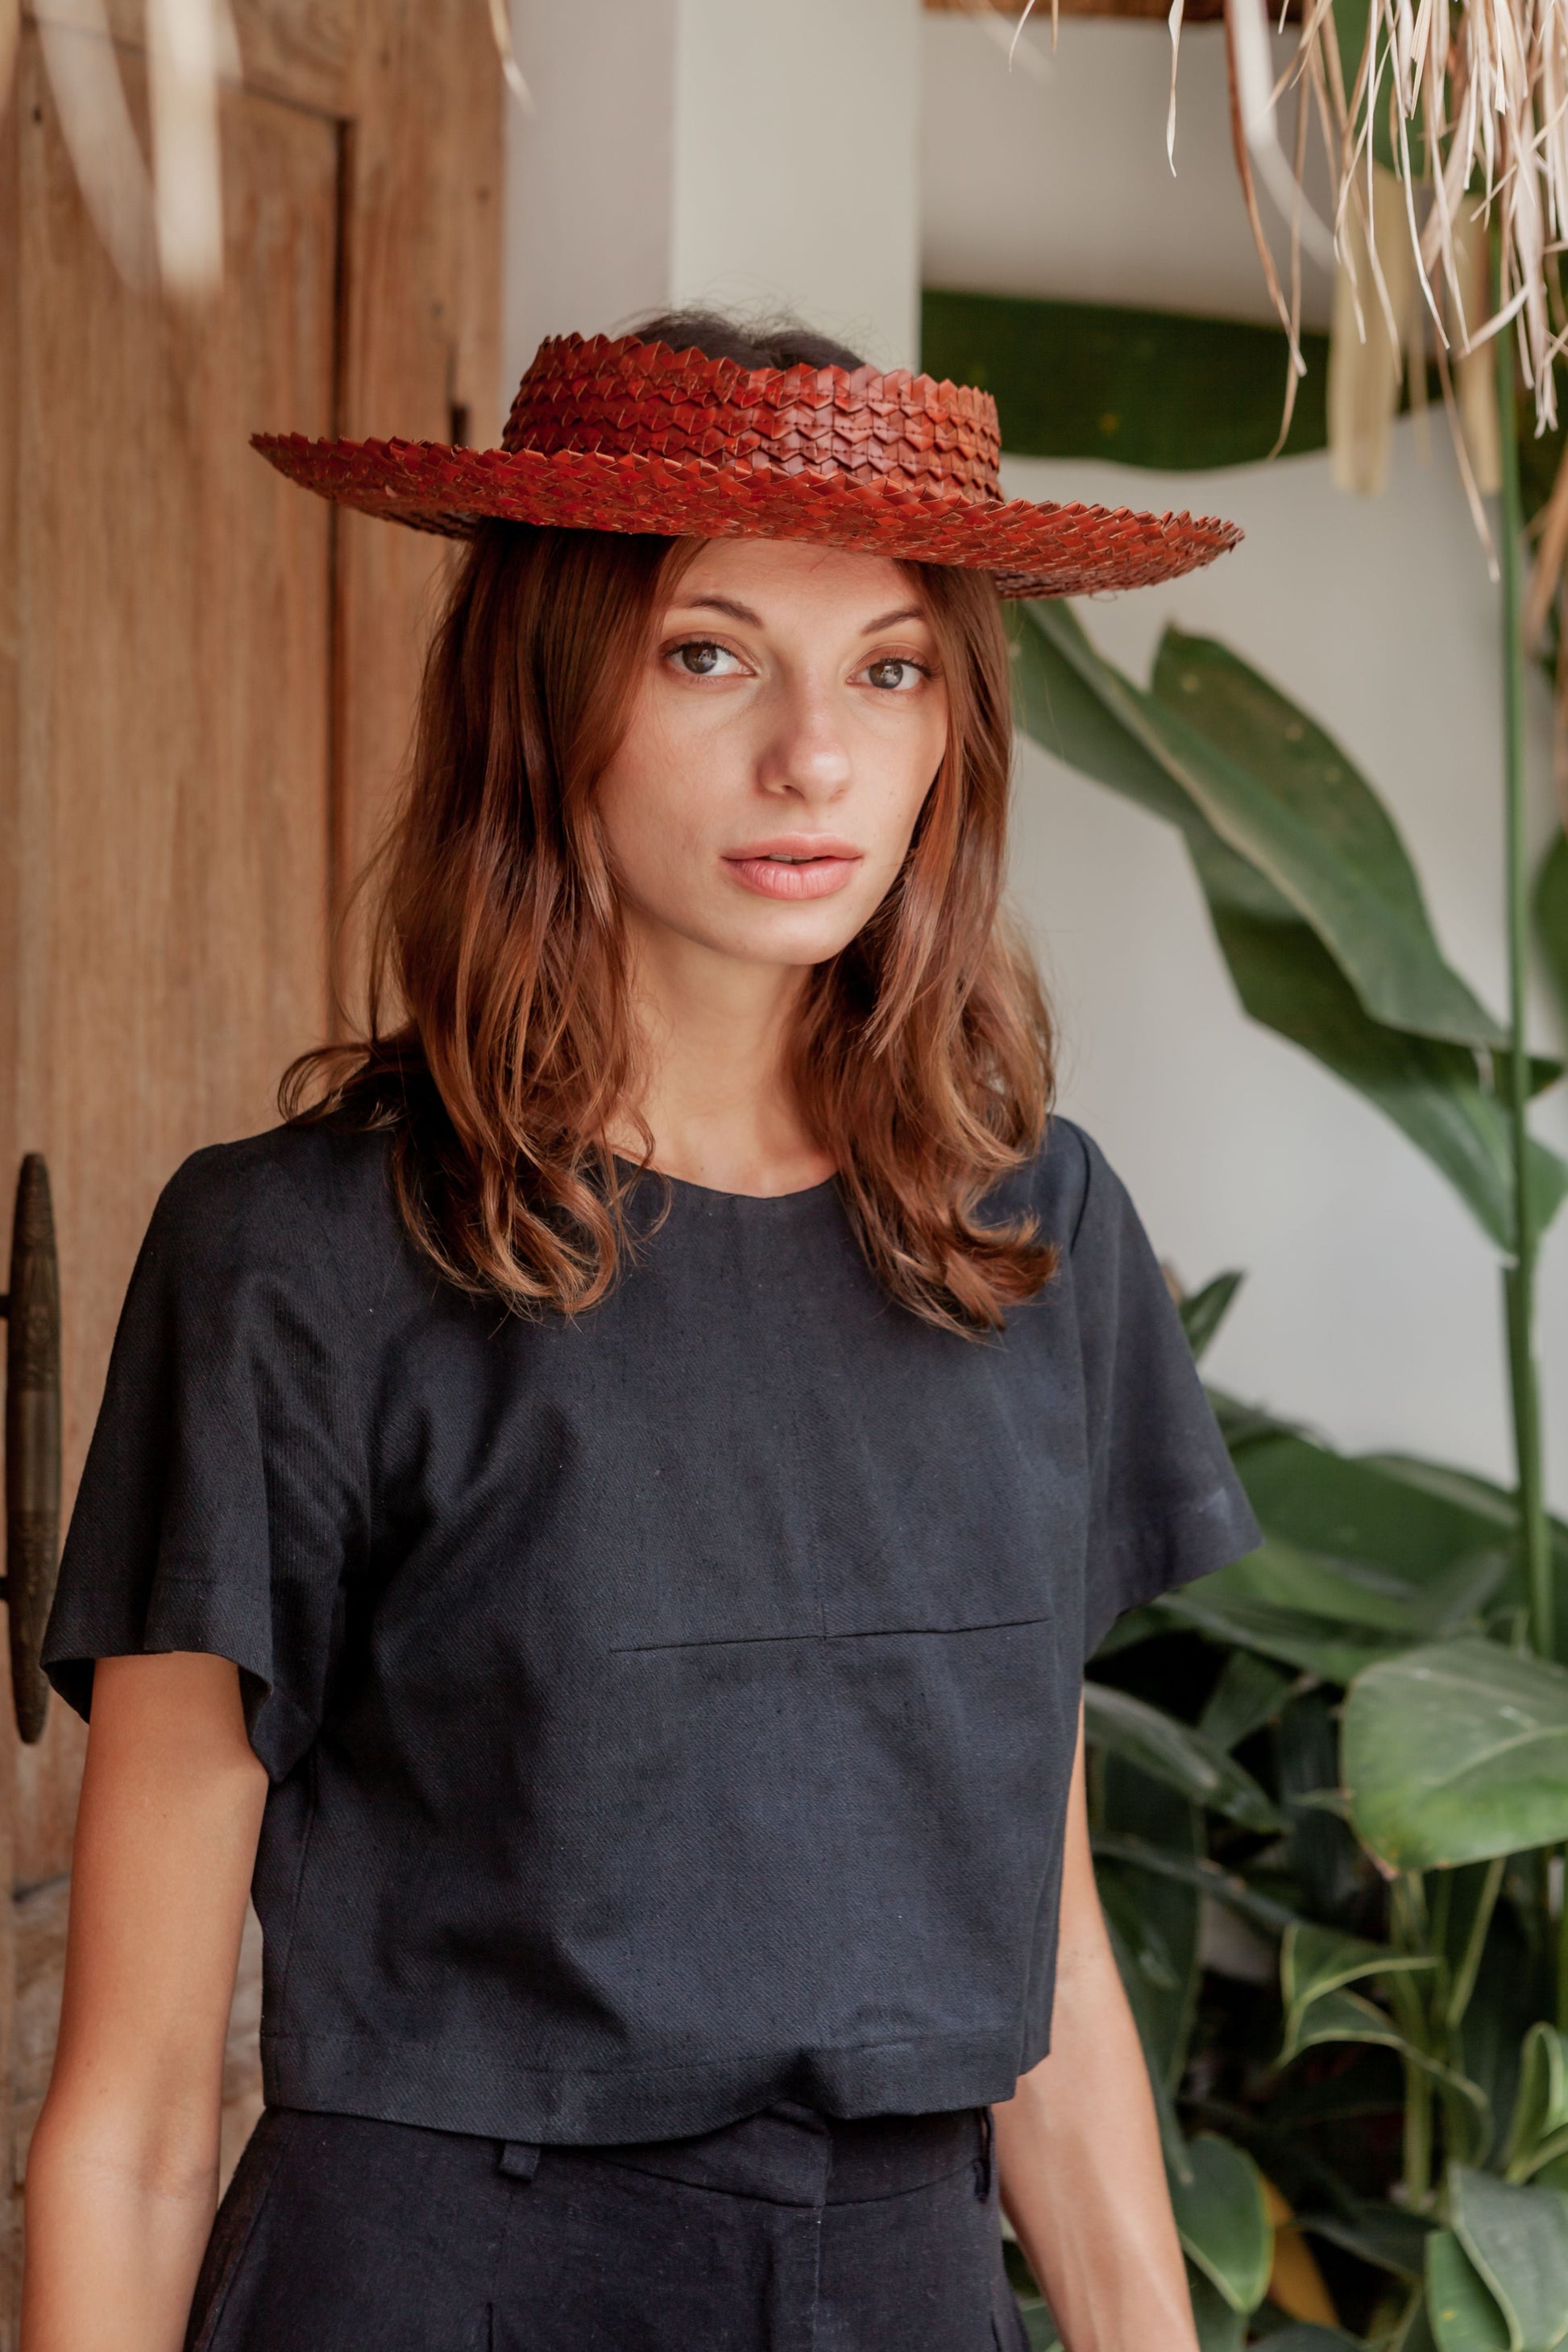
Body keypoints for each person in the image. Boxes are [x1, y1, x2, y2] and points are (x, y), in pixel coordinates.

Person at [23, 311, 1256, 2352]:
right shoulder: (295, 1260)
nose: (814, 756)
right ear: (543, 691)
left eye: (890, 668)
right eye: (708, 654)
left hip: (902, 2295)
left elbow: (1041, 1970)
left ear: (955, 728)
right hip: (435, 2295)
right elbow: (137, 2120)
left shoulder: (1030, 1240)